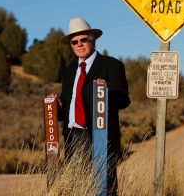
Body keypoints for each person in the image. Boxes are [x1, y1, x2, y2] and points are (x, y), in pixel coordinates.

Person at [51, 17, 130, 195]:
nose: (79, 44)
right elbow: (66, 110)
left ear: (93, 39)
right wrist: (57, 106)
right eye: (74, 42)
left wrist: (104, 93)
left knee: (104, 188)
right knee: (77, 187)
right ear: (71, 45)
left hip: (99, 136)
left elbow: (124, 100)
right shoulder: (69, 71)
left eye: (83, 39)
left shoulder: (112, 65)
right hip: (73, 137)